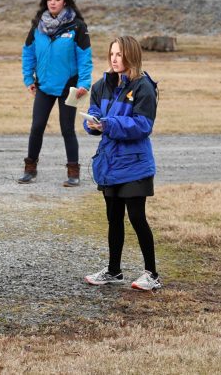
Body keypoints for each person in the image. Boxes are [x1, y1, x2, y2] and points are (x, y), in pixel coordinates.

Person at [83, 35, 161, 291]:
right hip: (110, 163)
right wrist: (92, 123)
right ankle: (114, 271)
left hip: (135, 164)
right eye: (112, 54)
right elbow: (95, 113)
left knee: (137, 217)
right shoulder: (101, 86)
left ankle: (152, 275)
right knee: (113, 218)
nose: (115, 59)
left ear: (131, 56)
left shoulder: (143, 87)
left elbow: (142, 125)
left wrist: (108, 124)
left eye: (120, 54)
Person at [20, 0, 93, 186]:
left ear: (65, 2)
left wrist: (84, 83)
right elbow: (28, 53)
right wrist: (28, 79)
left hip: (68, 87)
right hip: (44, 86)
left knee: (67, 129)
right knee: (36, 127)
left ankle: (73, 172)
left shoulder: (77, 26)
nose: (52, 2)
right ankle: (30, 169)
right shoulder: (37, 26)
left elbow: (85, 58)